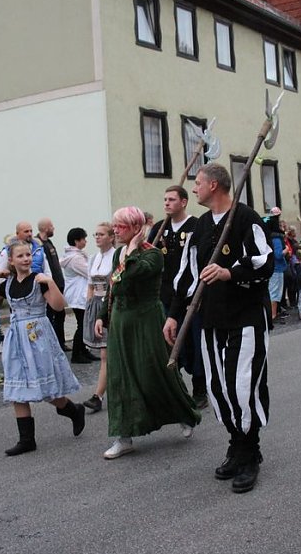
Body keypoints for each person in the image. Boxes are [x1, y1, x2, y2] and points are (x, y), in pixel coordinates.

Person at [163, 163, 274, 494]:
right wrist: (173, 314)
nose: (194, 189)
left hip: (245, 317)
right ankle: (236, 445)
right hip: (210, 319)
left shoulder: (245, 218)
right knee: (218, 388)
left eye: (197, 183)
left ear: (214, 185)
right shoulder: (199, 229)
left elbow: (263, 261)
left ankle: (250, 452)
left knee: (242, 385)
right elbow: (186, 275)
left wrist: (230, 273)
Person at [95, 206, 200, 460]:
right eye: (115, 225)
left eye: (121, 227)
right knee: (120, 377)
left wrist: (131, 252)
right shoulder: (119, 252)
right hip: (121, 320)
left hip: (146, 319)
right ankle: (124, 436)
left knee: (154, 371)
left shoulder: (153, 256)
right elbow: (114, 286)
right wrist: (102, 315)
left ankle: (184, 413)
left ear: (135, 229)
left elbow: (128, 277)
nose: (116, 231)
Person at [0, 241, 85, 456]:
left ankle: (73, 410)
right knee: (17, 388)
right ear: (12, 260)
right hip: (17, 339)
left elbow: (59, 306)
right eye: (21, 256)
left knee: (45, 389)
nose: (26, 259)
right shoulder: (7, 283)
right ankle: (26, 440)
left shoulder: (39, 280)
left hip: (38, 336)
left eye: (28, 255)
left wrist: (51, 283)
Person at [147, 185, 207, 409]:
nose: (167, 203)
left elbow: (200, 262)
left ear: (183, 202)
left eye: (171, 199)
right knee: (169, 343)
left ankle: (200, 390)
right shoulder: (159, 229)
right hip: (165, 296)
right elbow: (149, 256)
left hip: (191, 295)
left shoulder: (196, 226)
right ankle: (177, 390)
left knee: (193, 342)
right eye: (165, 199)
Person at [81, 223, 116, 413]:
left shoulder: (116, 256)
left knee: (105, 354)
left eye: (101, 234)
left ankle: (98, 395)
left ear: (111, 237)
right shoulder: (94, 258)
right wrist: (89, 307)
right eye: (96, 234)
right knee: (106, 354)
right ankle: (100, 394)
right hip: (96, 304)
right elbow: (90, 285)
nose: (97, 237)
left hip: (110, 305)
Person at [60, 227, 94, 364]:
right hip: (78, 295)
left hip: (78, 294)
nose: (86, 241)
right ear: (76, 241)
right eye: (83, 239)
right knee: (82, 325)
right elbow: (89, 272)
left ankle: (83, 350)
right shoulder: (75, 259)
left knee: (84, 324)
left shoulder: (76, 255)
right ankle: (76, 354)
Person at [37, 218, 67, 351]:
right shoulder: (39, 244)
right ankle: (54, 344)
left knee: (60, 315)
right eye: (51, 226)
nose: (53, 228)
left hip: (58, 284)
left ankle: (60, 342)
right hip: (50, 286)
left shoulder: (48, 242)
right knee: (51, 316)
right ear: (45, 228)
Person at [266, 214, 288, 324]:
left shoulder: (268, 236)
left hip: (271, 267)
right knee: (275, 292)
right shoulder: (277, 238)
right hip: (277, 268)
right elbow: (278, 255)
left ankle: (272, 313)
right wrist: (286, 250)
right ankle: (273, 314)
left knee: (272, 291)